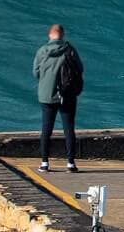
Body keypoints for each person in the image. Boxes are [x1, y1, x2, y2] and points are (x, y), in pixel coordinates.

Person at [33, 25, 84, 173]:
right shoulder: (70, 50)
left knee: (46, 129)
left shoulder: (42, 51)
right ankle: (70, 163)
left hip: (47, 95)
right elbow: (79, 69)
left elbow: (35, 73)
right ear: (62, 35)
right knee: (69, 129)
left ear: (50, 35)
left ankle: (44, 163)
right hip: (67, 94)